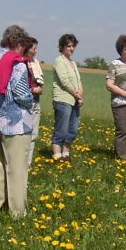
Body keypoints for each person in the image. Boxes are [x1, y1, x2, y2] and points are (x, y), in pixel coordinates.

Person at [0, 25, 34, 218]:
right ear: (19, 44)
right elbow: (21, 93)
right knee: (16, 168)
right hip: (15, 124)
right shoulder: (17, 63)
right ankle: (17, 212)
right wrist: (31, 100)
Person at [51, 33, 83, 161]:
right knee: (62, 129)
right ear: (62, 47)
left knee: (72, 129)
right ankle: (57, 156)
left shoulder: (72, 63)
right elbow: (64, 81)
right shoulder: (59, 61)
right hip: (63, 99)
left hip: (74, 99)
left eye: (73, 46)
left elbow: (78, 80)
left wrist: (80, 95)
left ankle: (65, 154)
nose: (71, 48)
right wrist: (77, 94)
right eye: (69, 46)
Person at [24, 36, 44, 165]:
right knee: (24, 135)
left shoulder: (36, 63)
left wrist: (39, 88)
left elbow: (40, 80)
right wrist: (32, 89)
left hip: (36, 102)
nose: (36, 51)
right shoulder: (21, 62)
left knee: (33, 134)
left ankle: (28, 163)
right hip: (25, 103)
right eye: (33, 48)